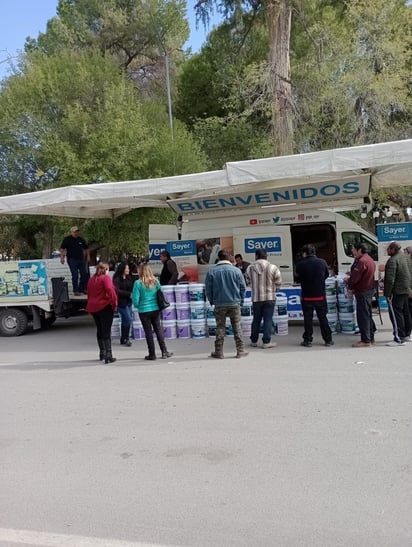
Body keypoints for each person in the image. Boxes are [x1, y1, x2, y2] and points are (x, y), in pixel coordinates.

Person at [205, 249, 248, 359]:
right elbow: (243, 287)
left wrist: (211, 301)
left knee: (220, 328)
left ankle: (219, 352)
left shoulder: (211, 272)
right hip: (234, 303)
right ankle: (240, 351)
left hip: (219, 303)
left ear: (219, 258)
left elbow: (208, 290)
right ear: (228, 258)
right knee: (237, 327)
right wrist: (241, 300)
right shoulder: (236, 271)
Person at [132, 263, 173, 360]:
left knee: (148, 332)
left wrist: (139, 306)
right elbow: (160, 294)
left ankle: (152, 354)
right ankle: (164, 351)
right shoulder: (156, 281)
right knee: (158, 330)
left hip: (144, 310)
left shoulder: (138, 283)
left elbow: (135, 299)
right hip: (155, 309)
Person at [295, 244, 333, 348]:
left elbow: (297, 279)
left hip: (307, 296)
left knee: (308, 319)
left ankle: (308, 340)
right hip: (320, 295)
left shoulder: (300, 264)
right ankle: (328, 339)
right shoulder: (322, 262)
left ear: (304, 253)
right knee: (323, 318)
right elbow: (326, 275)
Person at [244, 249, 281, 349]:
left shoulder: (250, 268)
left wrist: (254, 287)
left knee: (256, 319)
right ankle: (266, 342)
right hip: (269, 297)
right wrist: (275, 290)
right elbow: (278, 281)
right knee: (268, 319)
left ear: (256, 256)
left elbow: (247, 280)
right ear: (266, 256)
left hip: (256, 298)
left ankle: (254, 341)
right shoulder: (273, 267)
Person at [86, 262, 118, 364]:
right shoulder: (105, 278)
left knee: (99, 329)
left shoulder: (91, 280)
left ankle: (102, 352)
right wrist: (114, 303)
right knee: (106, 330)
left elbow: (89, 293)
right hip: (104, 306)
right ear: (106, 270)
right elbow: (110, 290)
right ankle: (109, 354)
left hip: (93, 307)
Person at [345, 242, 376, 347]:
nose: (352, 251)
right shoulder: (369, 259)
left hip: (363, 291)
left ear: (359, 250)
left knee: (363, 316)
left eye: (354, 249)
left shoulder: (362, 261)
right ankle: (370, 338)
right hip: (368, 290)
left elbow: (354, 279)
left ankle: (366, 340)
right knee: (367, 315)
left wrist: (348, 281)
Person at [384, 241, 411, 346]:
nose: (387, 251)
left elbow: (390, 280)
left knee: (396, 314)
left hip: (397, 291)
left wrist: (387, 293)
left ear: (393, 249)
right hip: (405, 289)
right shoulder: (405, 258)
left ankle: (399, 338)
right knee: (405, 313)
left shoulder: (393, 260)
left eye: (388, 249)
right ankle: (406, 334)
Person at [60, 226, 90, 295]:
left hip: (81, 259)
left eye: (77, 231)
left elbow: (86, 248)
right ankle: (75, 290)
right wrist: (62, 257)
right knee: (75, 274)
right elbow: (62, 249)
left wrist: (88, 256)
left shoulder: (81, 239)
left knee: (84, 274)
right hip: (72, 259)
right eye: (74, 232)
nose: (76, 233)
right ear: (71, 232)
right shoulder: (67, 239)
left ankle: (82, 289)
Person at [112, 262, 135, 347]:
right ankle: (126, 338)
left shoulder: (129, 278)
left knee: (126, 320)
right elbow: (117, 290)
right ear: (122, 269)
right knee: (128, 319)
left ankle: (123, 338)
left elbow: (132, 286)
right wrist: (128, 294)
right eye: (127, 269)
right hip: (121, 303)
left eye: (128, 268)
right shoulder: (117, 278)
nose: (128, 270)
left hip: (128, 301)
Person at [404, 246, 412, 333]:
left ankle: (408, 329)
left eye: (405, 252)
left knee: (408, 311)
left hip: (408, 290)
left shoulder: (407, 262)